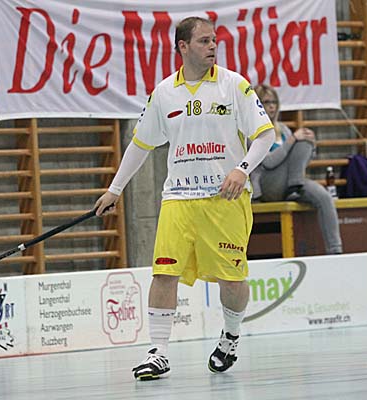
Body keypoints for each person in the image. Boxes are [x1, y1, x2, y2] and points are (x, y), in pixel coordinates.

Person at [94, 17, 275, 380]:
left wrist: (241, 169)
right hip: (178, 197)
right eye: (204, 41)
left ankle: (230, 336)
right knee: (164, 273)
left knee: (231, 280)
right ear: (183, 46)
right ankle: (158, 351)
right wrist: (115, 188)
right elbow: (140, 145)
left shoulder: (233, 85)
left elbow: (264, 135)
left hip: (224, 199)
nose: (213, 46)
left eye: (214, 40)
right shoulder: (164, 93)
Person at [250, 84, 343, 255]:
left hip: (291, 181)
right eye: (266, 102)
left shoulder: (283, 129)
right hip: (267, 184)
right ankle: (294, 186)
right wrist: (292, 140)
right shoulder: (253, 131)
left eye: (274, 102)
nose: (272, 106)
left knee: (323, 196)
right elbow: (268, 162)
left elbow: (300, 162)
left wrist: (311, 145)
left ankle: (335, 250)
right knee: (299, 140)